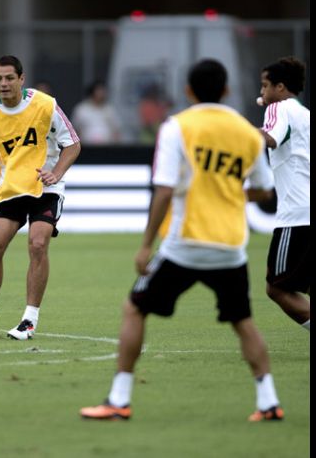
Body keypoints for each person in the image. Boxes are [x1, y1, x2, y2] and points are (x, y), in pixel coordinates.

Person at [80, 59, 284, 422]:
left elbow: (164, 190)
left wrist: (146, 244)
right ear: (226, 91)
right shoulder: (246, 133)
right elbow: (265, 190)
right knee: (243, 321)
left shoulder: (178, 127)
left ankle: (119, 398)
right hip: (231, 247)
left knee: (135, 308)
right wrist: (232, 194)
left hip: (184, 244)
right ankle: (268, 402)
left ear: (189, 91)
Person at [0, 55, 81, 340]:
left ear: (21, 79)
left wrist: (57, 173)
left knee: (38, 244)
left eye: (9, 78)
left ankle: (29, 319)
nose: (3, 84)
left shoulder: (45, 104)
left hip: (45, 187)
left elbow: (72, 143)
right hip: (11, 188)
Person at [258, 57, 310, 331]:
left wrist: (231, 131)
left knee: (277, 288)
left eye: (265, 86)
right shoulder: (305, 114)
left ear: (280, 87)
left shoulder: (278, 108)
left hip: (297, 215)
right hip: (306, 211)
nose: (262, 93)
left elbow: (268, 138)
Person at [71, 81, 123, 145]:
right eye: (99, 91)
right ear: (92, 92)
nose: (101, 93)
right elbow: (76, 131)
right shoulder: (81, 109)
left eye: (103, 91)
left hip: (107, 149)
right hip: (86, 150)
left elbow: (116, 132)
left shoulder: (110, 110)